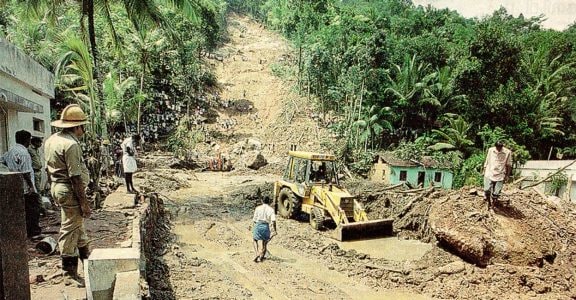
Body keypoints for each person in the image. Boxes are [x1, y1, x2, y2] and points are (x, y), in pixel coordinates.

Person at [44, 104, 92, 286]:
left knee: (77, 227)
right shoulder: (70, 144)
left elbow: (49, 169)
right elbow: (75, 177)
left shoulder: (52, 140)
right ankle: (68, 272)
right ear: (76, 127)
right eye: (82, 126)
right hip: (69, 189)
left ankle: (87, 263)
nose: (84, 129)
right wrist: (84, 203)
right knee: (69, 229)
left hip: (58, 187)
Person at [1, 130, 41, 238]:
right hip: (25, 186)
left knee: (20, 210)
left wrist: (10, 170)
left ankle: (23, 231)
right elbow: (26, 172)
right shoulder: (24, 153)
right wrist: (31, 187)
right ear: (27, 140)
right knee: (32, 209)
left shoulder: (11, 151)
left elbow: (2, 161)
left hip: (14, 184)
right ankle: (33, 232)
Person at [483, 141, 513, 209]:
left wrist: (507, 175)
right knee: (487, 189)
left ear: (502, 147)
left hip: (500, 174)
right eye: (497, 147)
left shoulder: (507, 152)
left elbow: (509, 165)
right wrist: (484, 169)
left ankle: (494, 203)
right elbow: (487, 160)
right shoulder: (491, 150)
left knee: (496, 193)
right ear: (495, 146)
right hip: (489, 173)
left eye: (500, 147)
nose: (498, 149)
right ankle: (489, 202)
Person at [251, 195, 277, 262]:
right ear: (269, 202)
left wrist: (253, 227)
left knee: (254, 240)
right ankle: (261, 257)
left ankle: (257, 253)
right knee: (264, 243)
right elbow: (273, 221)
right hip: (266, 226)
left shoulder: (258, 208)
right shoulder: (271, 210)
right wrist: (274, 230)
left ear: (262, 201)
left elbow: (254, 220)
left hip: (258, 225)